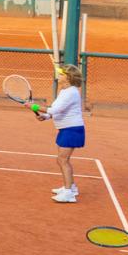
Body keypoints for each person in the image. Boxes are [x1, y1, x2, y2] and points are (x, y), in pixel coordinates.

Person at [36, 63, 85, 201]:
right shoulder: (64, 91)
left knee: (62, 160)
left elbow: (54, 110)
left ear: (68, 78)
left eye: (62, 74)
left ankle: (69, 194)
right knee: (63, 159)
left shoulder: (71, 93)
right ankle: (71, 187)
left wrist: (33, 106)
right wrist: (45, 117)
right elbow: (56, 110)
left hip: (72, 130)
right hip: (66, 129)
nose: (59, 75)